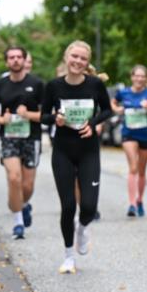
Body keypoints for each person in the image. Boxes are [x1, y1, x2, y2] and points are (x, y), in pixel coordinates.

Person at [41, 41, 113, 274]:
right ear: (66, 57)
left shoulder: (94, 85)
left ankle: (82, 229)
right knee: (68, 206)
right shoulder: (53, 86)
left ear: (87, 62)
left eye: (83, 58)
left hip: (88, 150)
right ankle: (69, 256)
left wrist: (92, 124)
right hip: (63, 150)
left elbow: (107, 110)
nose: (78, 62)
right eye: (74, 56)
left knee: (89, 207)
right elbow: (43, 116)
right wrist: (56, 120)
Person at [0, 47, 45, 239]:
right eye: (12, 57)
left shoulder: (37, 84)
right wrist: (2, 120)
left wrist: (27, 115)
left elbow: (47, 115)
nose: (16, 60)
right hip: (9, 138)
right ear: (6, 62)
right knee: (14, 178)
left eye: (19, 57)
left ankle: (24, 205)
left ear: (25, 60)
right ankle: (18, 222)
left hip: (31, 138)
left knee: (27, 185)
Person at [111, 65, 147, 217]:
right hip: (129, 133)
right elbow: (113, 102)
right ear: (132, 77)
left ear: (146, 79)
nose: (139, 79)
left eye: (142, 76)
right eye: (137, 76)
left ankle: (140, 200)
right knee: (133, 167)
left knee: (142, 170)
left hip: (146, 135)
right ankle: (131, 204)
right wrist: (116, 109)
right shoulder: (123, 93)